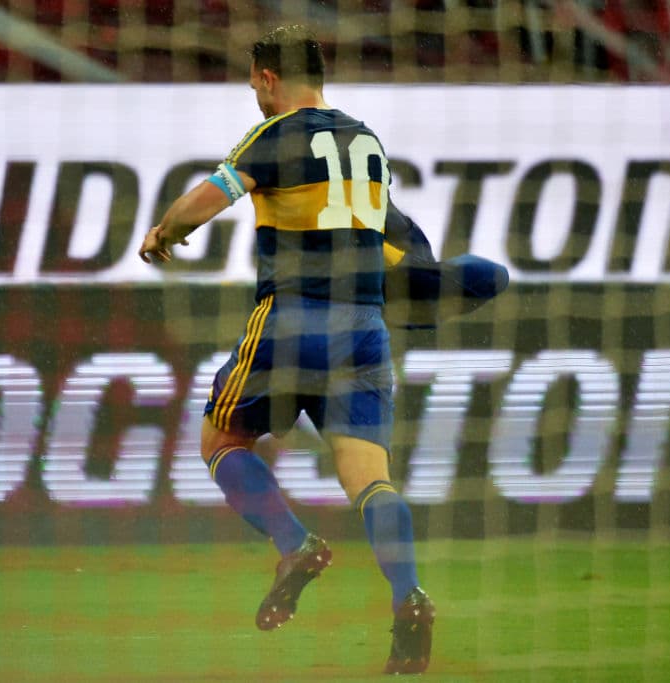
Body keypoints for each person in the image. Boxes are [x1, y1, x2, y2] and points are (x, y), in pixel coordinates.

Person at [138, 25, 435, 675]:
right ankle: (408, 593)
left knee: (220, 441)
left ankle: (294, 543)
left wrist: (165, 231)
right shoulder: (366, 140)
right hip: (364, 324)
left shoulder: (275, 135)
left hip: (293, 317)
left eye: (253, 81)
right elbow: (398, 236)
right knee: (371, 479)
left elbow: (211, 196)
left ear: (270, 78)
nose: (252, 92)